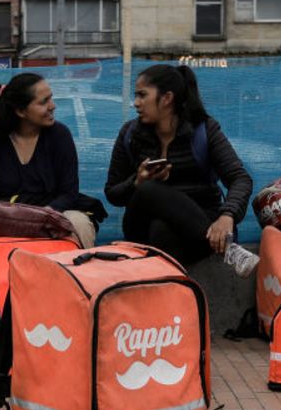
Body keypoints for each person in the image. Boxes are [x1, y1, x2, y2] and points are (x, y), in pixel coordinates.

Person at [104, 64, 258, 276]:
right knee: (148, 190)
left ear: (167, 98)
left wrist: (227, 215)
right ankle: (229, 250)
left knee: (162, 231)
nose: (136, 103)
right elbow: (112, 193)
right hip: (141, 227)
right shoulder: (130, 134)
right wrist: (137, 182)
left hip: (199, 228)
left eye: (142, 95)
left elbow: (240, 178)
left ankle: (168, 300)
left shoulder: (204, 130)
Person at [0, 73, 98, 248]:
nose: (53, 106)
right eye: (43, 102)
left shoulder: (60, 135)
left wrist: (43, 214)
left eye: (51, 99)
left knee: (80, 223)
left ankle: (76, 274)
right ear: (20, 111)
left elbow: (69, 193)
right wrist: (8, 216)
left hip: (51, 215)